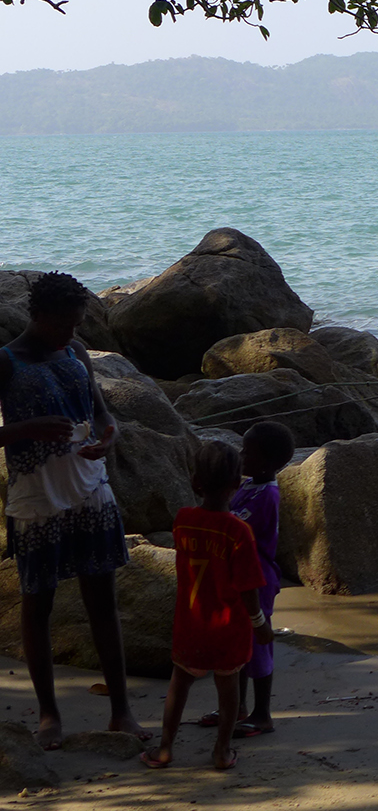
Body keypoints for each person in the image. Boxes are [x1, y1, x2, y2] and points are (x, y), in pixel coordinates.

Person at [0, 272, 149, 749]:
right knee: (38, 605)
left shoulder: (77, 352)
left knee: (102, 602)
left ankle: (121, 711)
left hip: (90, 491)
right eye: (65, 324)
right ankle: (48, 714)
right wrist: (28, 428)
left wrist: (109, 436)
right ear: (38, 316)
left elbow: (102, 413)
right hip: (37, 499)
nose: (73, 333)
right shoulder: (6, 362)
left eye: (79, 323)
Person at [142, 441, 272, 771]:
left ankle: (165, 748)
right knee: (227, 690)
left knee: (179, 684)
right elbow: (248, 588)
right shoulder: (238, 532)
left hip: (190, 622)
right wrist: (259, 623)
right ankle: (222, 751)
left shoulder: (183, 520)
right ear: (236, 484)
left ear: (195, 481)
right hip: (228, 627)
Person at [195, 421, 295, 737]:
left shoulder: (267, 495)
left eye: (246, 452)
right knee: (236, 642)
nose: (241, 456)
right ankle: (235, 706)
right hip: (236, 577)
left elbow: (235, 526)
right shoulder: (250, 486)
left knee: (257, 641)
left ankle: (262, 712)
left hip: (257, 580)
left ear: (265, 461)